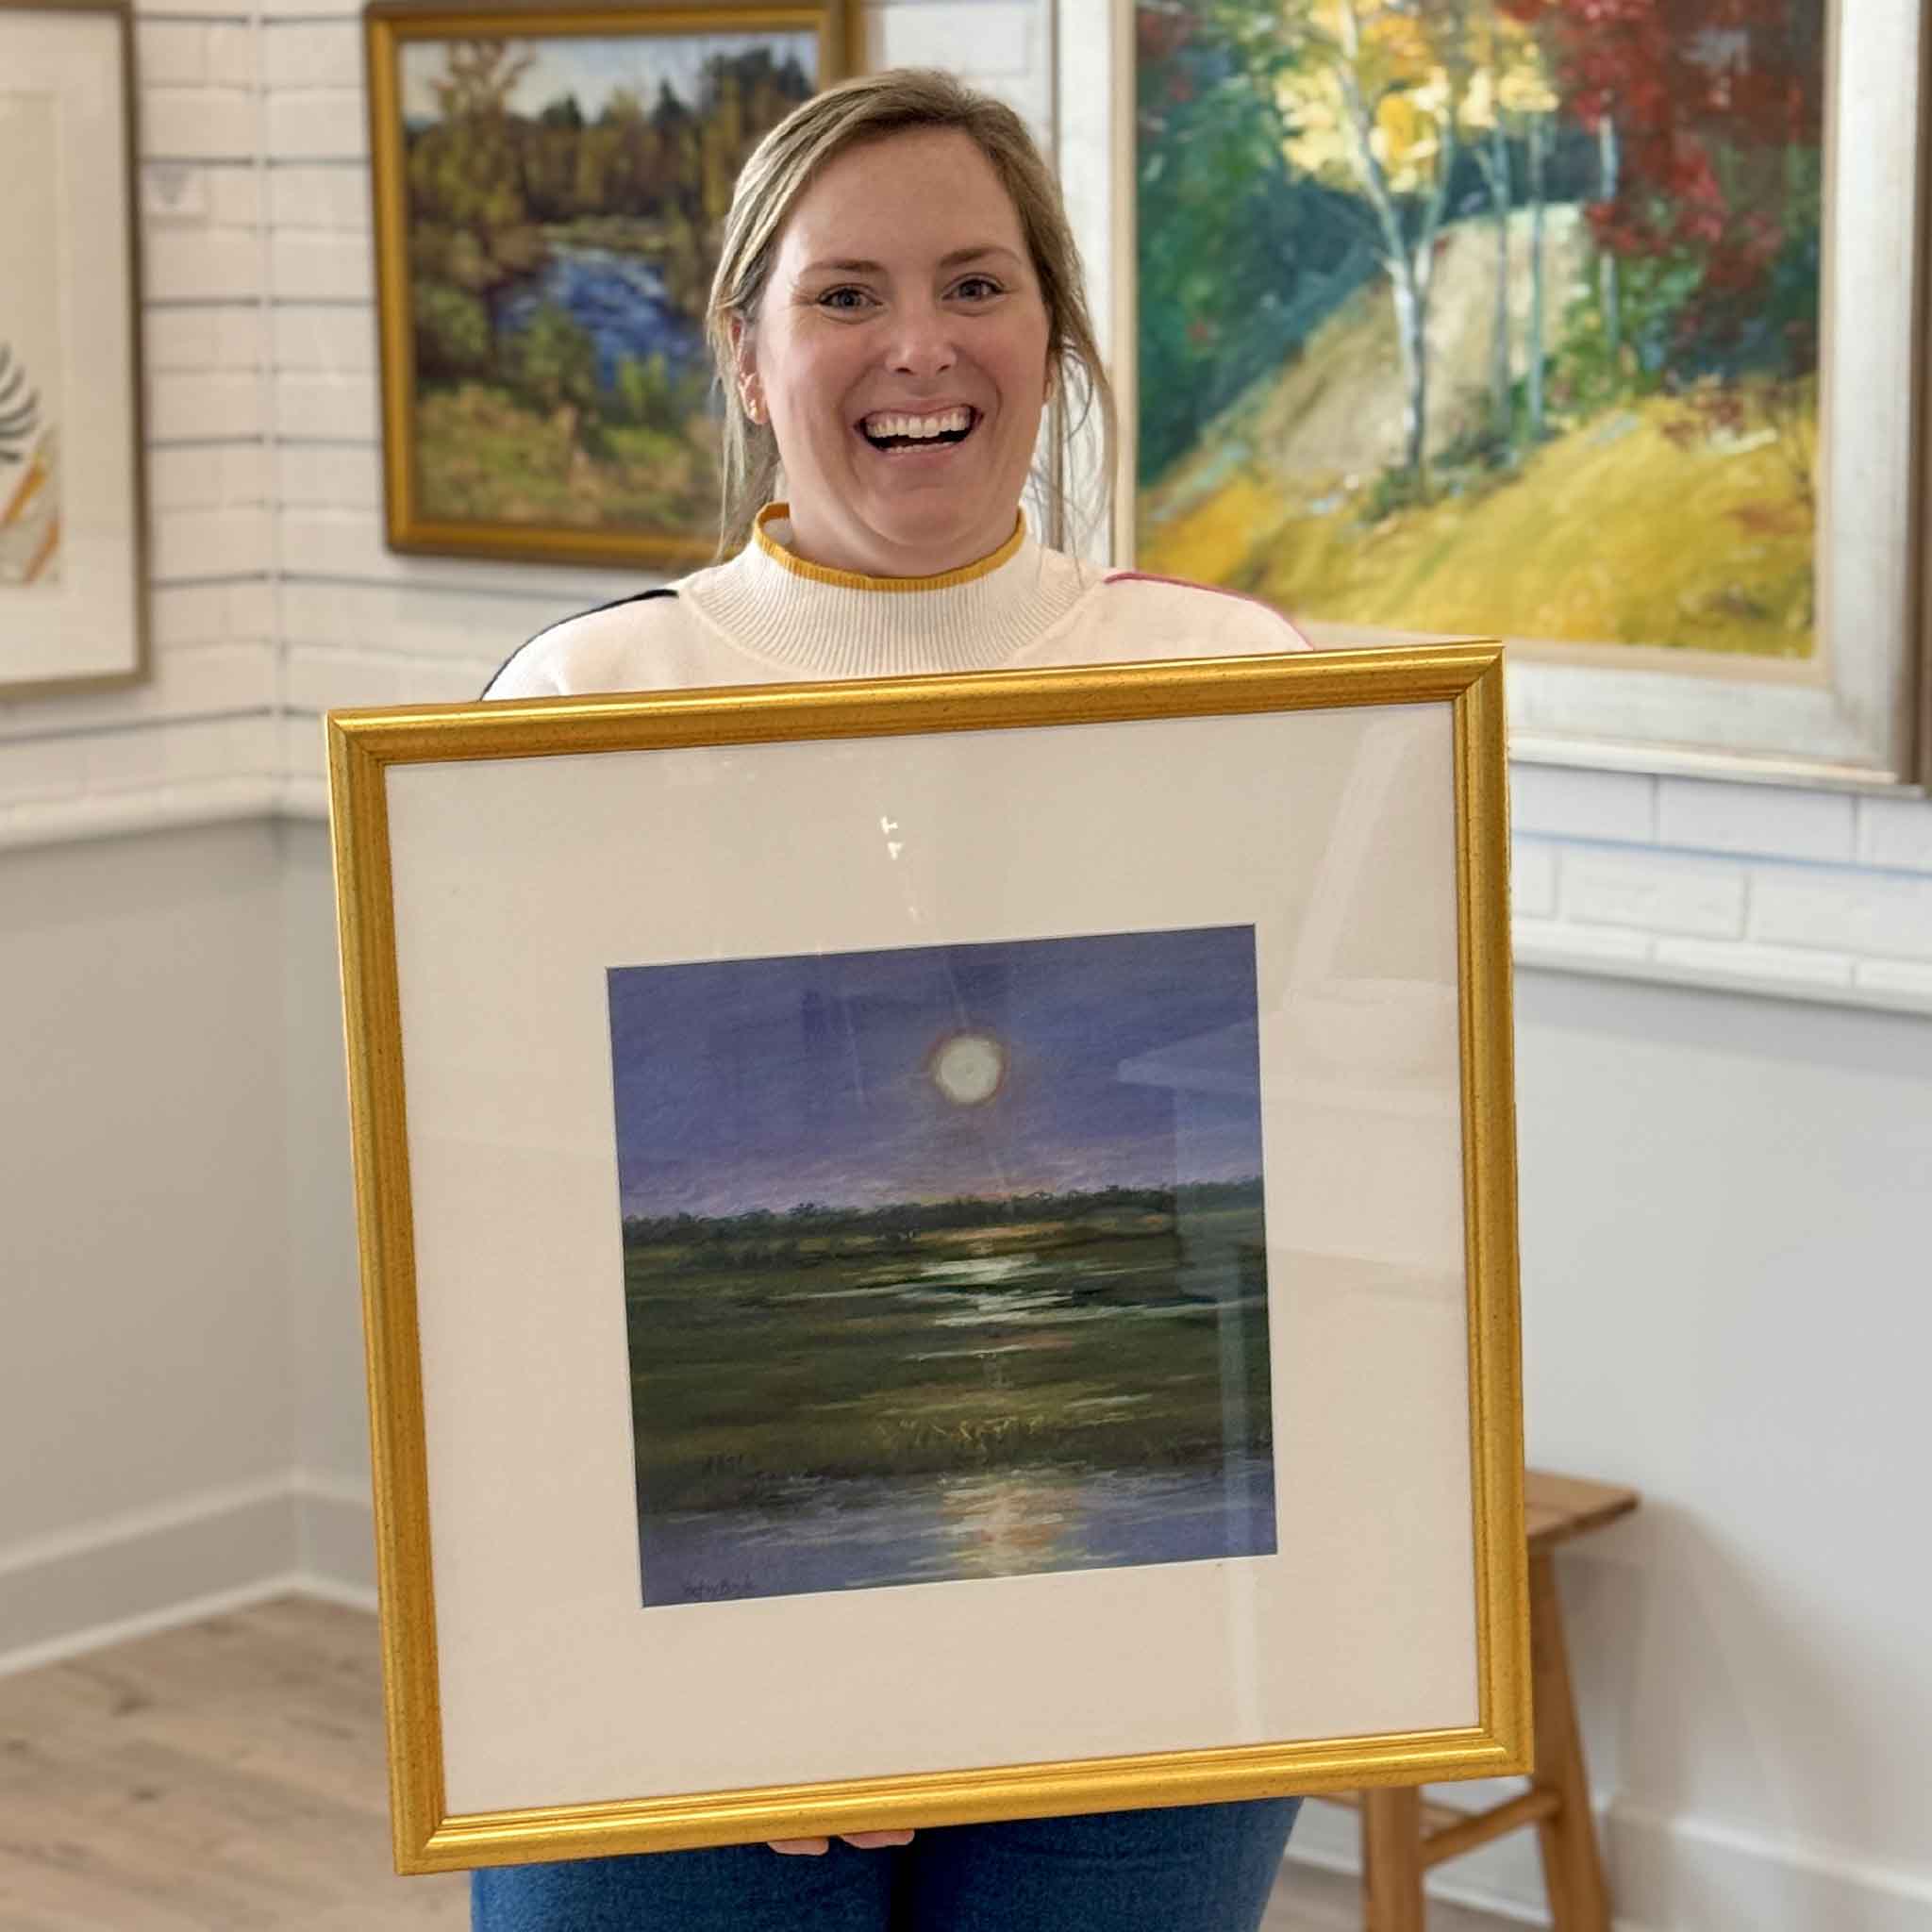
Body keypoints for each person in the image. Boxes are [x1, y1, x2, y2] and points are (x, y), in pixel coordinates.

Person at [475, 67, 1307, 1932]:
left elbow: (1335, 1173)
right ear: (750, 356)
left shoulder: (1235, 679)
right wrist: (740, 1670)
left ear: (1051, 333)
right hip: (675, 1640)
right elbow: (496, 1252)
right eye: (844, 293)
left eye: (975, 282)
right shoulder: (589, 705)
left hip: (1151, 1623)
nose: (916, 342)